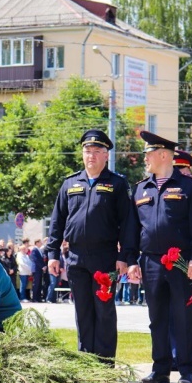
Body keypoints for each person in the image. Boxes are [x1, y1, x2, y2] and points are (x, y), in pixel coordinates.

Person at [47, 129, 139, 362]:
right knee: (83, 311)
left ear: (106, 155)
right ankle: (86, 361)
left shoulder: (117, 184)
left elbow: (128, 224)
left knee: (105, 311)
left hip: (105, 257)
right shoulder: (70, 183)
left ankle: (105, 363)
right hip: (76, 256)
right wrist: (52, 254)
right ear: (82, 154)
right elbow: (57, 220)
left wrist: (125, 257)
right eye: (88, 151)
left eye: (97, 151)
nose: (91, 156)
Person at [129, 131, 192, 383]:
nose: (145, 158)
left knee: (185, 317)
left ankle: (187, 370)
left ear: (163, 155)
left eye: (149, 153)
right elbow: (133, 229)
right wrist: (132, 260)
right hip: (152, 262)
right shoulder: (141, 188)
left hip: (183, 263)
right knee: (158, 318)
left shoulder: (189, 186)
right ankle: (161, 368)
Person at [30, 238, 46, 302]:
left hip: (39, 269)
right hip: (36, 269)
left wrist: (44, 266)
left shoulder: (39, 250)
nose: (41, 243)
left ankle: (38, 298)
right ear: (37, 243)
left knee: (39, 284)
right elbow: (36, 259)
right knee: (36, 284)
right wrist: (42, 266)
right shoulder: (34, 250)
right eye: (40, 242)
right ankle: (34, 298)